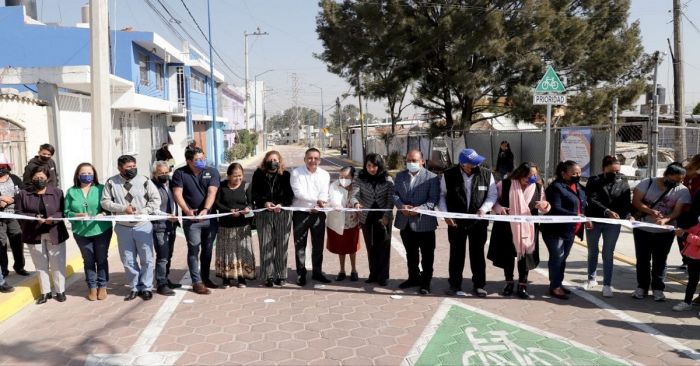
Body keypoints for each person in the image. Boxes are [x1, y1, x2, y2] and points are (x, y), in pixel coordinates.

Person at [101, 155, 161, 301]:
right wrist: (122, 208)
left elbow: (155, 200)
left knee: (147, 259)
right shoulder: (111, 182)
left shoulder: (144, 180)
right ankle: (134, 287)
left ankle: (146, 287)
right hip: (123, 227)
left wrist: (144, 212)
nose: (132, 169)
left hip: (142, 226)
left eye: (134, 166)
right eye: (128, 167)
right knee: (128, 260)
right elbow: (105, 202)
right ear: (120, 168)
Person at [439, 148, 497, 297]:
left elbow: (492, 195)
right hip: (456, 222)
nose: (475, 166)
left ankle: (479, 285)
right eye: (472, 163)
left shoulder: (486, 174)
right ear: (463, 164)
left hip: (478, 222)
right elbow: (442, 196)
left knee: (477, 254)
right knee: (456, 254)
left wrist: (484, 209)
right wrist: (446, 215)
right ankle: (454, 285)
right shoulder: (448, 175)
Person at [488, 162, 549, 299]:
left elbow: (545, 205)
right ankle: (509, 283)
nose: (531, 178)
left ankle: (522, 285)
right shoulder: (505, 184)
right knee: (507, 256)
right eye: (528, 176)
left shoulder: (538, 187)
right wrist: (499, 208)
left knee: (525, 257)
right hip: (506, 227)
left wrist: (545, 205)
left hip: (528, 229)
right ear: (520, 174)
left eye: (534, 175)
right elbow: (493, 200)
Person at [631, 162, 690, 301]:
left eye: (681, 180)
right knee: (643, 259)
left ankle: (658, 289)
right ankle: (642, 287)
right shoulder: (647, 183)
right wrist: (649, 211)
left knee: (660, 261)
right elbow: (636, 201)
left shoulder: (682, 190)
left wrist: (665, 220)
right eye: (676, 179)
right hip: (642, 228)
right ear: (666, 175)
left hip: (664, 231)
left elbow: (677, 212)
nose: (678, 183)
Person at [15, 166, 69, 304]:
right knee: (40, 265)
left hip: (55, 232)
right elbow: (18, 213)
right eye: (36, 178)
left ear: (47, 178)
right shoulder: (23, 194)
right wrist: (33, 217)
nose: (39, 180)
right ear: (31, 179)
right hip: (34, 234)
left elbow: (64, 211)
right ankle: (45, 293)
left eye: (42, 178)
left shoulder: (57, 192)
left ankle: (60, 291)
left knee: (58, 263)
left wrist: (53, 217)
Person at [172, 148, 220, 294]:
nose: (201, 161)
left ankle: (205, 277)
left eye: (202, 158)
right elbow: (177, 193)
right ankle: (196, 281)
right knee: (193, 249)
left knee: (207, 249)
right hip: (191, 220)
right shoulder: (180, 173)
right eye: (197, 159)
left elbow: (212, 192)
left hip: (209, 218)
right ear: (189, 161)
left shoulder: (212, 172)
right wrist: (187, 211)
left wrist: (206, 209)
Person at [584, 155, 632, 298]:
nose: (616, 174)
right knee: (592, 250)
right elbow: (591, 199)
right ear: (603, 169)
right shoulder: (594, 181)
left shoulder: (623, 180)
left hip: (613, 223)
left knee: (608, 253)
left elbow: (625, 201)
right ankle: (591, 278)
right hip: (595, 219)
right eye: (612, 171)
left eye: (618, 171)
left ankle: (607, 284)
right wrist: (606, 211)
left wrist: (628, 215)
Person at [541, 160, 589, 300]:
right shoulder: (556, 187)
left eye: (579, 173)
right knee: (557, 257)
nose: (577, 175)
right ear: (563, 173)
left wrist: (586, 219)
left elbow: (583, 205)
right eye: (574, 173)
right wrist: (575, 216)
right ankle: (554, 286)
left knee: (563, 259)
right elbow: (555, 208)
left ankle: (558, 283)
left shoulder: (578, 187)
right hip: (555, 230)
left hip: (571, 230)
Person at [393, 149, 439, 295]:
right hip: (405, 222)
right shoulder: (400, 176)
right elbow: (394, 194)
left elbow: (433, 199)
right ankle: (413, 278)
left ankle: (425, 283)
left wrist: (419, 209)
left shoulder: (431, 177)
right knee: (411, 254)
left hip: (424, 223)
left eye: (414, 160)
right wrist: (401, 206)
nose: (411, 163)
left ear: (422, 161)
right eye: (408, 160)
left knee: (427, 256)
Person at [64, 163, 113, 301]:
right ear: (78, 176)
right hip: (81, 232)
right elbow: (66, 212)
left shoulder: (101, 189)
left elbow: (109, 206)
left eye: (89, 173)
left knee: (102, 258)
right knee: (88, 260)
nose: (86, 175)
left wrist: (104, 213)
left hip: (101, 230)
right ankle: (92, 287)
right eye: (83, 173)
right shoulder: (71, 191)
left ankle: (102, 286)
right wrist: (75, 215)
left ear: (94, 174)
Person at [251, 151, 294, 287]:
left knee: (282, 245)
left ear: (279, 161)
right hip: (264, 213)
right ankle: (267, 275)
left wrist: (282, 204)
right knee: (266, 244)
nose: (273, 162)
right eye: (270, 159)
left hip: (282, 213)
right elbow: (254, 193)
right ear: (265, 161)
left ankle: (281, 275)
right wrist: (265, 203)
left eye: (275, 159)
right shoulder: (258, 173)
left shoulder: (286, 175)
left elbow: (289, 194)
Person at [351, 153, 394, 287]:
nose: (371, 169)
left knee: (383, 247)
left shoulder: (388, 179)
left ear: (379, 166)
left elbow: (390, 200)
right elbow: (354, 195)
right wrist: (356, 204)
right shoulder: (360, 178)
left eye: (374, 166)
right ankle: (373, 274)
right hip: (366, 217)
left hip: (383, 217)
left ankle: (383, 276)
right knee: (371, 247)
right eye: (369, 165)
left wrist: (387, 216)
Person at [291, 148, 331, 286]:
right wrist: (317, 201)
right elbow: (298, 193)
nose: (312, 161)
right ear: (305, 159)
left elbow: (324, 192)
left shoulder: (325, 174)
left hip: (319, 213)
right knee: (300, 245)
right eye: (310, 158)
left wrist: (320, 203)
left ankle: (317, 272)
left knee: (318, 245)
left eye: (316, 158)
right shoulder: (296, 173)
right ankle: (301, 274)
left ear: (319, 160)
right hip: (301, 213)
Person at [214, 163, 255, 288]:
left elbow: (251, 203)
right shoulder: (222, 186)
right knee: (227, 252)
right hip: (225, 226)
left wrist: (247, 209)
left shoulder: (246, 186)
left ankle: (242, 278)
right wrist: (229, 211)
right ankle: (226, 277)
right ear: (228, 176)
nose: (238, 178)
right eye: (235, 176)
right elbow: (217, 203)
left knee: (241, 252)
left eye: (240, 176)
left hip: (242, 226)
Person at [326, 166, 361, 282]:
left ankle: (354, 270)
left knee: (352, 247)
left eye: (346, 177)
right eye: (341, 176)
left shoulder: (356, 186)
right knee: (341, 248)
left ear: (352, 177)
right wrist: (336, 204)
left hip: (352, 222)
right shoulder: (334, 185)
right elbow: (332, 197)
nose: (343, 179)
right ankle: (342, 270)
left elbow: (357, 199)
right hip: (339, 221)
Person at [151, 161, 181, 296]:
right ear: (154, 174)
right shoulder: (151, 187)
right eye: (161, 173)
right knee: (162, 256)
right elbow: (152, 209)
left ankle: (166, 278)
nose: (164, 175)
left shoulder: (170, 184)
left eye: (166, 172)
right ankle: (161, 283)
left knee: (169, 254)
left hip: (172, 225)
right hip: (160, 225)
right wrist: (167, 216)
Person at [0, 153, 28, 278]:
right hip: (0, 217)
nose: (1, 168)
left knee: (17, 241)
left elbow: (22, 193)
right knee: (1, 244)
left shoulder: (15, 178)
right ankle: (3, 269)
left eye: (2, 165)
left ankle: (19, 267)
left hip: (14, 216)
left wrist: (12, 199)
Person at [672, 222, 700, 313]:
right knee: (692, 280)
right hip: (693, 257)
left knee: (692, 280)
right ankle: (687, 302)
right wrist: (681, 232)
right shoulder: (698, 224)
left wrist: (685, 235)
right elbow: (692, 231)